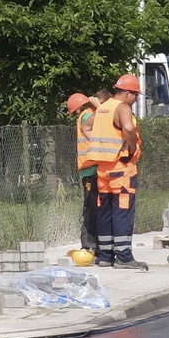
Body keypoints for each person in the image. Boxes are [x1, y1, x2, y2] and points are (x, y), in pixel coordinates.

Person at [86, 75, 147, 269]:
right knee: (122, 212)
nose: (136, 99)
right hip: (121, 168)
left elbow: (85, 126)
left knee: (104, 212)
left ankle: (105, 255)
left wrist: (100, 143)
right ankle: (123, 256)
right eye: (135, 95)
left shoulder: (103, 107)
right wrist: (131, 146)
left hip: (103, 169)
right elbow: (128, 128)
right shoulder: (122, 108)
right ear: (127, 93)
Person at [68, 92, 98, 253]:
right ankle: (88, 244)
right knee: (91, 207)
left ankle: (92, 243)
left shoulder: (85, 116)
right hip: (90, 167)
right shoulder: (87, 116)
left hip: (89, 167)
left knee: (92, 207)